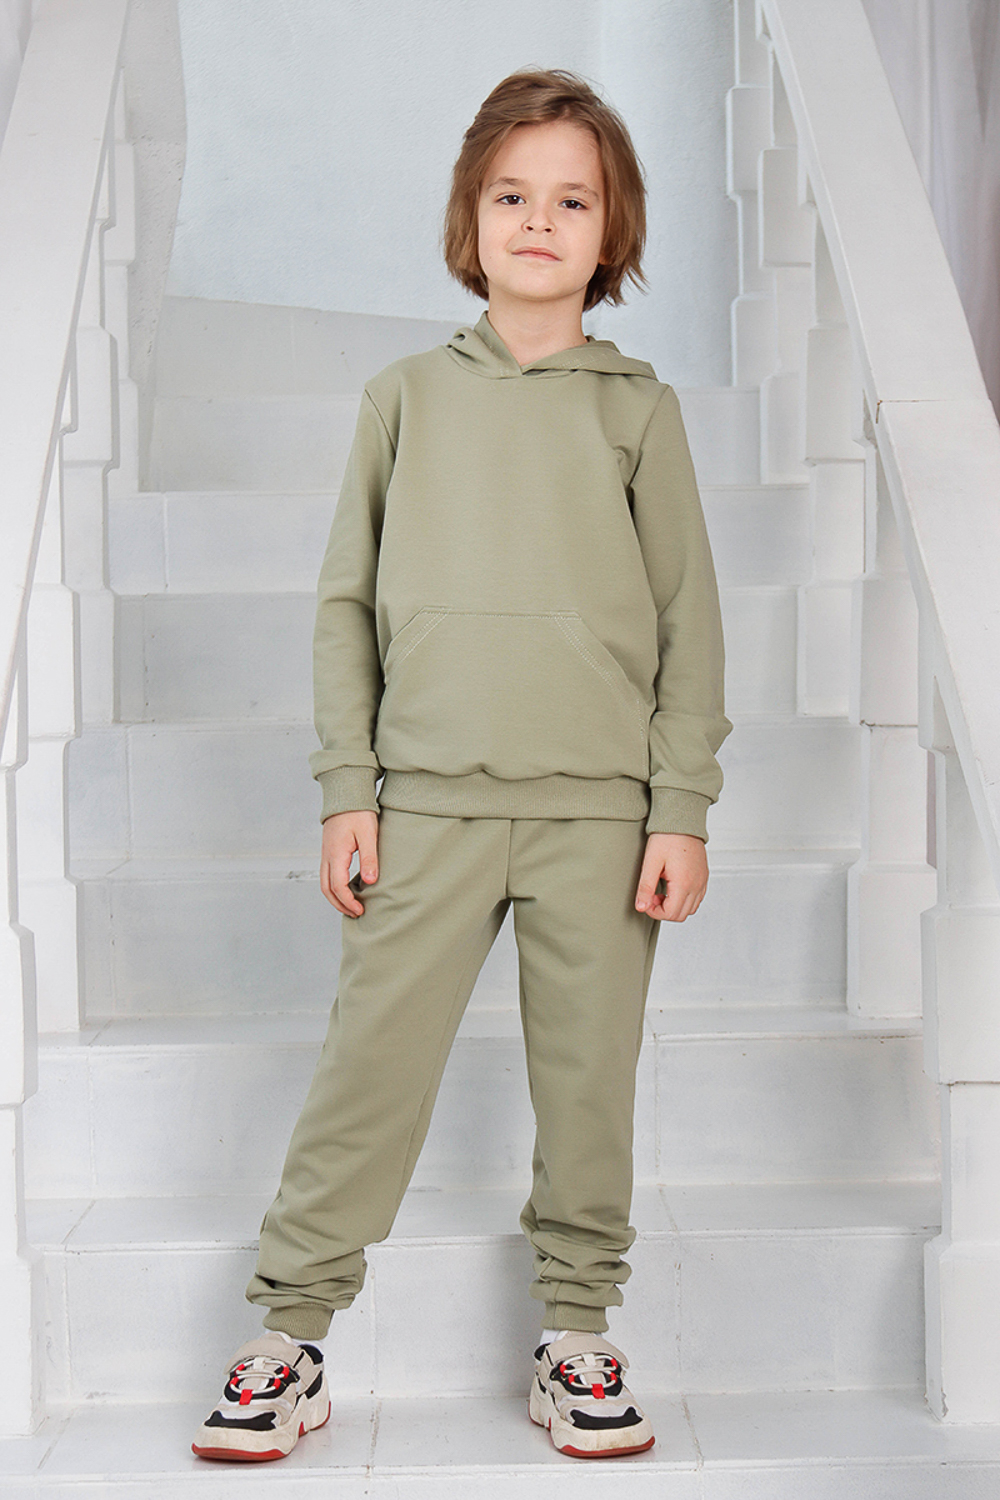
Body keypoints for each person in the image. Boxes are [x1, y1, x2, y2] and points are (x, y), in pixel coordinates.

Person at [192, 66, 731, 1465]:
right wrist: (348, 789)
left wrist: (679, 808)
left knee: (589, 1087)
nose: (538, 221)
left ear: (611, 235)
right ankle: (290, 1334)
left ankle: (578, 1332)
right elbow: (344, 608)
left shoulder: (639, 412)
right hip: (425, 806)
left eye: (572, 201)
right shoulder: (404, 400)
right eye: (511, 195)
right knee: (368, 1073)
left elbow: (689, 623)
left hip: (599, 819)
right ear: (469, 220)